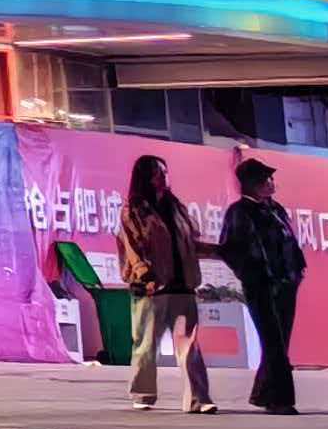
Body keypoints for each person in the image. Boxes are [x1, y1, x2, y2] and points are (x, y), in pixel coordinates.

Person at [119, 153, 215, 411]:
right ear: (145, 178)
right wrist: (145, 275)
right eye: (158, 173)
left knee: (190, 345)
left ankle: (199, 399)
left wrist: (221, 250)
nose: (164, 177)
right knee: (146, 345)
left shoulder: (176, 207)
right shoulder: (133, 210)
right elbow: (133, 248)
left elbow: (190, 242)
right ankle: (143, 394)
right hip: (151, 289)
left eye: (165, 172)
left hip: (183, 286)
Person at [216, 154, 307, 413]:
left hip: (287, 283)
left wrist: (298, 268)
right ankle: (281, 399)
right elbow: (229, 249)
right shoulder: (240, 212)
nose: (271, 182)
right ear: (253, 184)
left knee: (280, 341)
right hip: (262, 286)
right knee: (273, 341)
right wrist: (253, 273)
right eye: (266, 179)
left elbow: (290, 241)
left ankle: (264, 395)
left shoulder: (275, 209)